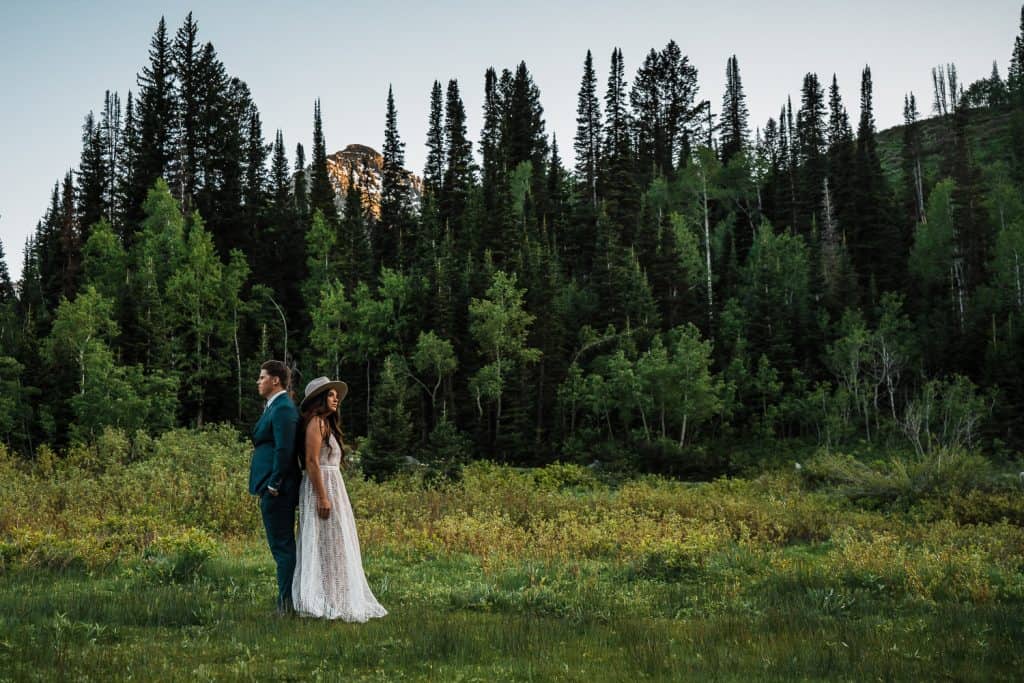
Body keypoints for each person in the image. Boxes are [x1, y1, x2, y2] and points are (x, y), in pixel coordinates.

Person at [292, 376, 387, 622]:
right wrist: (323, 497)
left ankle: (336, 596)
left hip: (334, 487)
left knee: (336, 542)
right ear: (319, 399)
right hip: (322, 487)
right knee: (324, 541)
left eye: (336, 395)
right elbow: (312, 462)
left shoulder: (326, 423)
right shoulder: (316, 423)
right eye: (331, 394)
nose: (336, 399)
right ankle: (322, 598)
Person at [248, 360, 300, 615]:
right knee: (280, 546)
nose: (258, 382)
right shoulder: (273, 407)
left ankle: (287, 604)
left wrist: (274, 484)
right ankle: (286, 600)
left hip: (278, 489)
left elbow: (284, 449)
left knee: (283, 547)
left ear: (275, 380)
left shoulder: (283, 409)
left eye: (261, 377)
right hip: (270, 487)